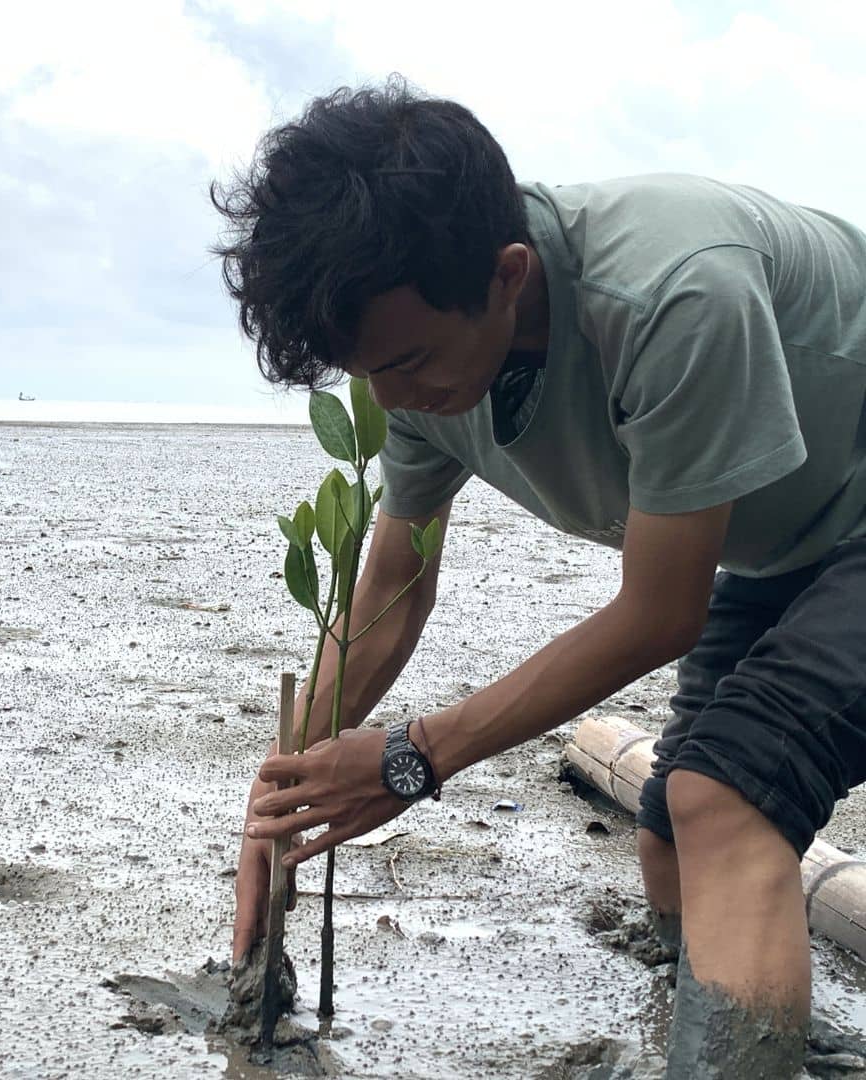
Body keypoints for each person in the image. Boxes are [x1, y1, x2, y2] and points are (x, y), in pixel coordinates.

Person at [212, 77, 866, 1077]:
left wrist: (414, 754)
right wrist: (282, 794)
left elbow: (660, 614)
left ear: (508, 273)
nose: (391, 401)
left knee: (722, 800)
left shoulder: (674, 292)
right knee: (671, 847)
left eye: (412, 361)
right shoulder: (410, 363)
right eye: (366, 370)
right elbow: (392, 590)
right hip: (793, 535)